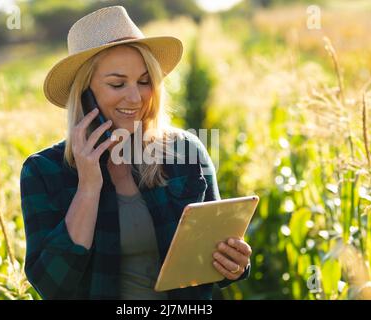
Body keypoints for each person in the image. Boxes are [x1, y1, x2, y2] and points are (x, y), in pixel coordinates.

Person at [20, 5, 251, 300]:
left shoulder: (185, 151)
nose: (135, 97)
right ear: (84, 94)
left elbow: (214, 259)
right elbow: (52, 285)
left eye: (144, 82)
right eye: (117, 83)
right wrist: (88, 188)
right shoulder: (43, 172)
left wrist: (235, 263)